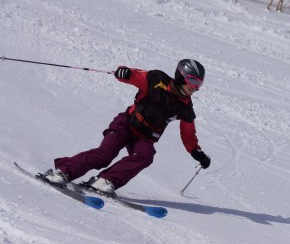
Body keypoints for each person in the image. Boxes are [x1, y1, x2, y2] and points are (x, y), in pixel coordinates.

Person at [41, 59, 211, 196]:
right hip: (127, 124)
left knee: (146, 155)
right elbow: (135, 76)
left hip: (145, 137)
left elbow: (188, 134)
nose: (195, 88)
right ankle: (62, 172)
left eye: (199, 84)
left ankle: (106, 181)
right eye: (193, 81)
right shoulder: (157, 80)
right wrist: (125, 72)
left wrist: (196, 151)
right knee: (105, 155)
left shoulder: (186, 108)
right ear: (181, 76)